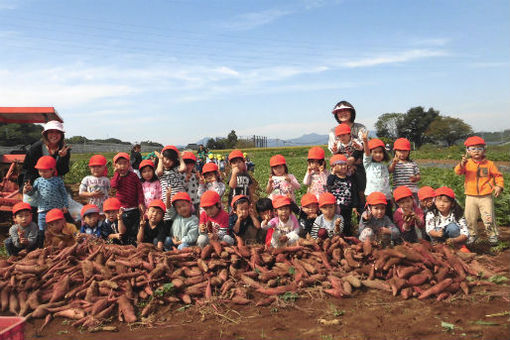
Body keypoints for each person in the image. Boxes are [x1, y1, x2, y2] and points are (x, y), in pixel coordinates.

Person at [454, 136, 504, 245]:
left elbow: (498, 176)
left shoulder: (489, 164)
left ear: (484, 150)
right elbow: (458, 171)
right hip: (470, 196)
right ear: (467, 151)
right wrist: (462, 163)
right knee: (469, 217)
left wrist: (499, 186)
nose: (476, 151)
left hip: (486, 196)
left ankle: (492, 235)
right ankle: (472, 235)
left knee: (488, 217)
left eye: (479, 148)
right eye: (473, 148)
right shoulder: (466, 163)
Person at [23, 155, 68, 247]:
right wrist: (27, 190)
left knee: (58, 228)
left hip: (57, 210)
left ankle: (59, 246)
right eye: (40, 171)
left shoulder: (58, 181)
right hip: (42, 209)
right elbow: (32, 193)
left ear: (52, 170)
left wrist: (65, 205)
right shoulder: (38, 181)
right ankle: (41, 247)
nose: (42, 173)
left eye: (45, 171)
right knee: (42, 229)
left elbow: (64, 194)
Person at [328, 101, 367, 196]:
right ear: (336, 115)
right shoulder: (333, 131)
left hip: (359, 164)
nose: (342, 113)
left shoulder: (360, 128)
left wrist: (353, 159)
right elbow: (334, 151)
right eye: (339, 111)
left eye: (346, 110)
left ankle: (362, 207)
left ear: (352, 112)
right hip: (341, 164)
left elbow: (364, 146)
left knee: (361, 188)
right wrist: (346, 163)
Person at [19, 120, 71, 192]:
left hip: (54, 183)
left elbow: (63, 171)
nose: (54, 135)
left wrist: (63, 157)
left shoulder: (64, 149)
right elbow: (28, 169)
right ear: (45, 134)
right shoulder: (36, 148)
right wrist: (27, 185)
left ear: (61, 134)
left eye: (57, 132)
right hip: (36, 182)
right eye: (51, 132)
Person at [110, 152, 145, 245]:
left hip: (134, 207)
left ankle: (133, 244)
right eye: (119, 163)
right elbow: (113, 185)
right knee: (122, 228)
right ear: (115, 165)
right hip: (122, 209)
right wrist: (117, 173)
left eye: (124, 163)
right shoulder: (116, 177)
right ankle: (123, 244)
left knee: (134, 228)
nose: (122, 166)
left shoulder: (133, 176)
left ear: (129, 164)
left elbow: (140, 190)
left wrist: (141, 202)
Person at [425, 186, 469, 251]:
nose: (441, 204)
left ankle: (458, 247)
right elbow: (429, 230)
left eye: (445, 201)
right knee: (437, 229)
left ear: (452, 203)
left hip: (454, 240)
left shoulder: (457, 214)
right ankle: (437, 246)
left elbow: (465, 234)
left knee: (452, 227)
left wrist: (454, 240)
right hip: (438, 238)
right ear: (434, 202)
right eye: (438, 201)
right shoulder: (431, 213)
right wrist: (436, 234)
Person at [327, 154, 360, 236]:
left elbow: (354, 192)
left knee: (347, 223)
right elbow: (329, 184)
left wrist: (355, 206)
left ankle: (347, 237)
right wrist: (333, 173)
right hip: (336, 207)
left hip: (347, 206)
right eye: (340, 165)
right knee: (336, 222)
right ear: (334, 166)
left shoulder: (350, 179)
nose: (343, 166)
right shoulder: (333, 178)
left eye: (344, 164)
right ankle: (336, 236)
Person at [361, 131, 392, 218]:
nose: (378, 154)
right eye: (375, 152)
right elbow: (367, 153)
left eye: (380, 152)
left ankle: (387, 230)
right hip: (372, 195)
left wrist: (395, 161)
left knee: (387, 216)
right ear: (370, 153)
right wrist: (365, 142)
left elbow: (390, 171)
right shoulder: (368, 164)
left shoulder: (384, 165)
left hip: (385, 196)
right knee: (371, 217)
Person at [155, 145, 186, 222]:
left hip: (180, 200)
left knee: (181, 219)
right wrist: (160, 159)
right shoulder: (161, 173)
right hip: (168, 201)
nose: (168, 162)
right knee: (168, 220)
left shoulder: (176, 169)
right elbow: (159, 171)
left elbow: (183, 168)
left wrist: (180, 157)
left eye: (171, 160)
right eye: (166, 159)